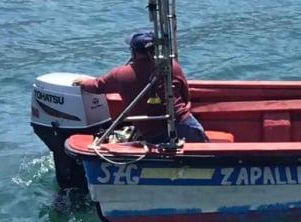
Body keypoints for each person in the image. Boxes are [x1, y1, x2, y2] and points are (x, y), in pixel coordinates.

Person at [73, 31, 208, 143]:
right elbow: (186, 94)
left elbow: (96, 86)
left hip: (153, 134)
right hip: (186, 125)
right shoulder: (171, 66)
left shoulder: (121, 75)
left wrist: (83, 82)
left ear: (133, 52)